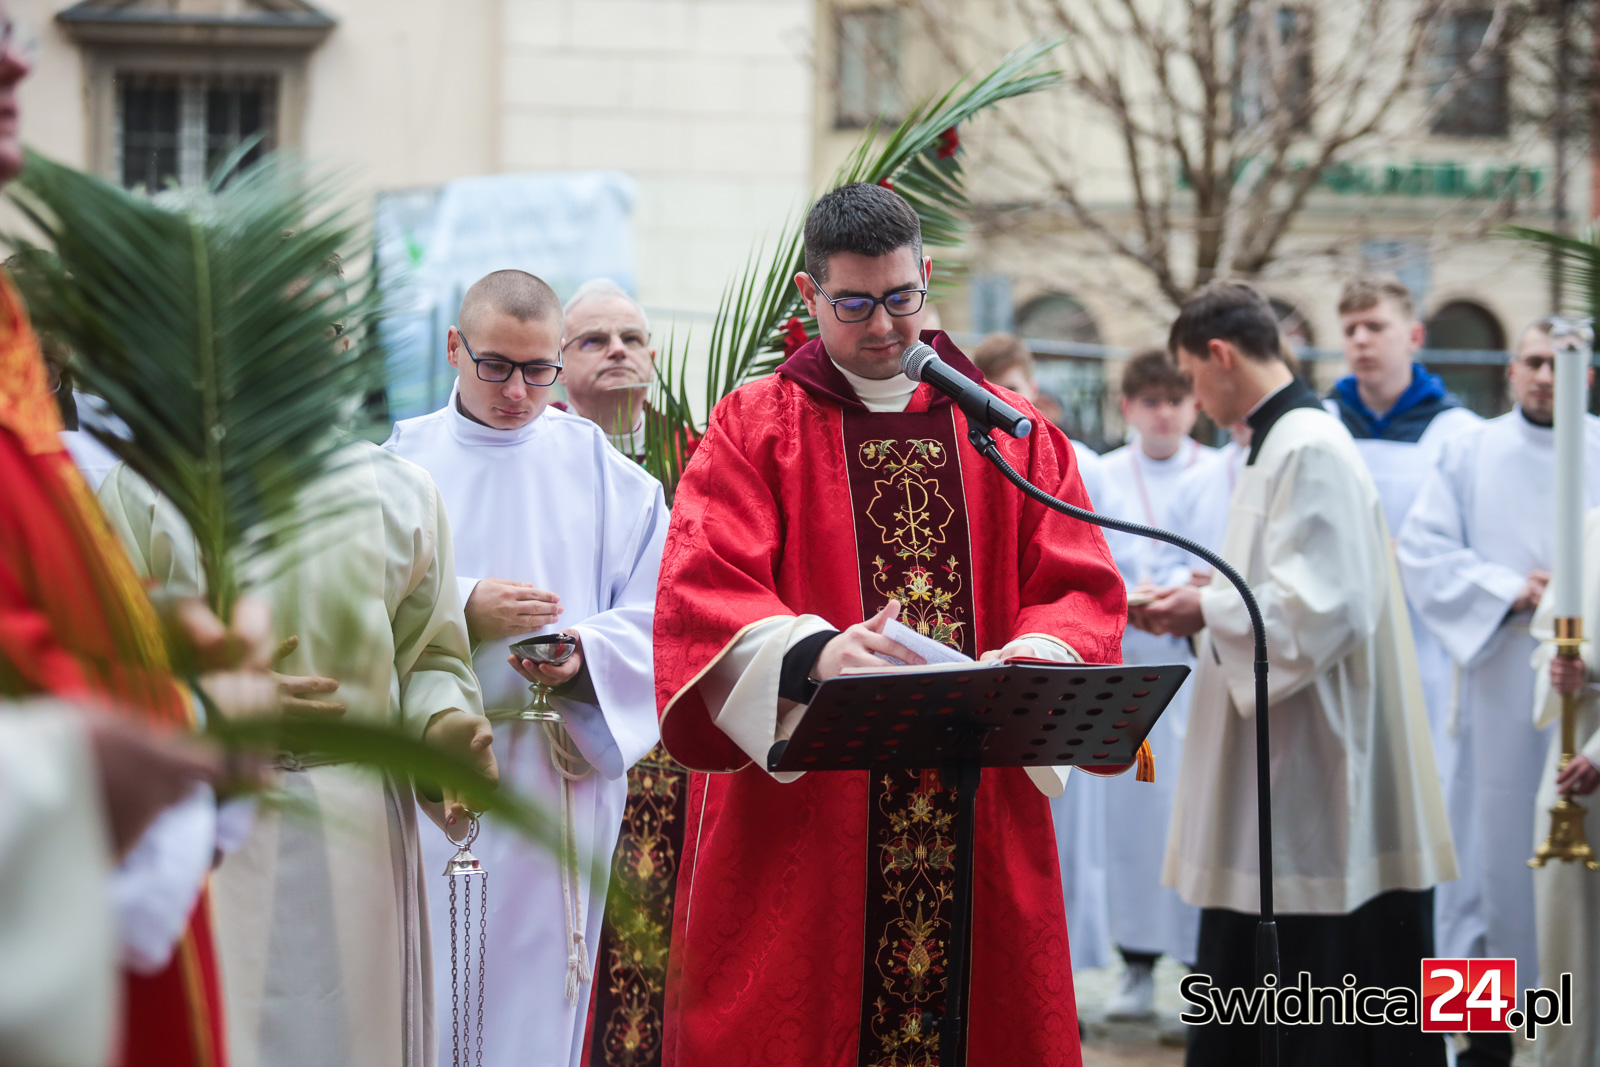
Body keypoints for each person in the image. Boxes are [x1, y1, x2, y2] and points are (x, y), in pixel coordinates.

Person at [653, 182, 1127, 1066]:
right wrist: (812, 650)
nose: (883, 326)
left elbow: (1078, 582)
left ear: (928, 275)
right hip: (817, 817)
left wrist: (1036, 650)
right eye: (854, 303)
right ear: (810, 294)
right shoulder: (757, 427)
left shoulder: (1012, 433)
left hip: (977, 801)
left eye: (902, 297)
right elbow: (702, 587)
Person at [1135, 280, 1454, 1067]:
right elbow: (1283, 584)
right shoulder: (1276, 442)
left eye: (1191, 375)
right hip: (1283, 755)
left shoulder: (1307, 444)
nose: (1194, 398)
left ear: (1221, 354)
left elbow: (1329, 604)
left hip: (1312, 765)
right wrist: (1211, 596)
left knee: (1318, 988)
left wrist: (1205, 608)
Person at [101, 431, 493, 1067]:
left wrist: (443, 726)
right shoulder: (146, 484)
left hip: (356, 826)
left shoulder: (399, 491)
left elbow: (430, 657)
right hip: (206, 815)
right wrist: (207, 701)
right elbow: (104, 655)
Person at [385, 269, 668, 1067]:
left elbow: (660, 610)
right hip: (431, 774)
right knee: (429, 992)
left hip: (556, 771)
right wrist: (462, 602)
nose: (518, 391)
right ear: (454, 347)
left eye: (540, 369)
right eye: (497, 366)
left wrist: (585, 656)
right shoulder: (397, 467)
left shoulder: (602, 470)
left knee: (535, 1008)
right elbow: (347, 605)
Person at [1397, 318, 1600, 1067]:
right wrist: (1513, 590)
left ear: (1585, 375)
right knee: (1480, 868)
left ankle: (1567, 1036)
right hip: (1492, 682)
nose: (1546, 376)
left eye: (1560, 363)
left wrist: (1579, 607)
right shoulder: (1469, 450)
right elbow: (1422, 551)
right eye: (1533, 361)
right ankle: (1478, 1042)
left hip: (1585, 696)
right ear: (1511, 370)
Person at [973, 330, 1118, 977]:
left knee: (1064, 851)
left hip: (1034, 694)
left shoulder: (1040, 449)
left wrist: (1045, 645)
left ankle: (1089, 969)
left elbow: (1081, 571)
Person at [1092, 349, 1211, 1016]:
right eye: (1150, 401)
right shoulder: (1105, 473)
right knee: (1133, 820)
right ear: (1127, 407)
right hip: (1131, 665)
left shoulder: (1218, 471)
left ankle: (1199, 968)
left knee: (1197, 815)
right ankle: (1136, 963)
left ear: (1195, 405)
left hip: (1197, 668)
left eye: (1175, 400)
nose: (1163, 413)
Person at [1326, 276, 1481, 771]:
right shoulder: (1322, 424)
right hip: (1337, 631)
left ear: (1414, 336)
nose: (1361, 340)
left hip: (1425, 638)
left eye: (1375, 326)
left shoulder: (1460, 434)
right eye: (1350, 329)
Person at [1530, 507, 1600, 1067]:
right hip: (1562, 746)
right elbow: (1547, 635)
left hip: (1587, 745)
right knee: (1564, 924)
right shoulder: (1592, 524)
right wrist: (1560, 664)